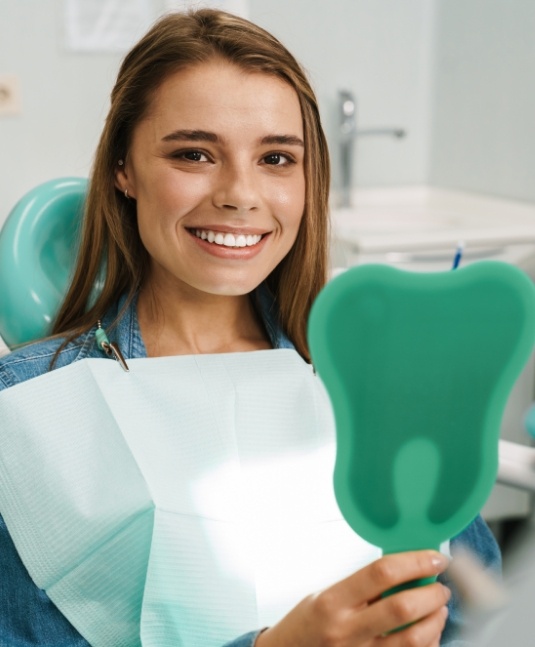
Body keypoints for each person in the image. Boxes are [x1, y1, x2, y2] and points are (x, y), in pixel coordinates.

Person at [0, 8, 500, 647]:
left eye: (276, 158)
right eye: (194, 153)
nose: (241, 194)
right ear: (123, 167)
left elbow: (479, 607)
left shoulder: (375, 382)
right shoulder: (30, 414)